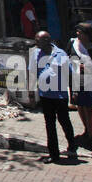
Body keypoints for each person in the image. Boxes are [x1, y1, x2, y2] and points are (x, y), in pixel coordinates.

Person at [28, 30, 78, 163]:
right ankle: (54, 154)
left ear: (47, 41)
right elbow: (32, 73)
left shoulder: (60, 54)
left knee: (64, 121)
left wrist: (74, 91)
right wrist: (31, 92)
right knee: (50, 124)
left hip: (60, 95)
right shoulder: (35, 54)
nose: (36, 43)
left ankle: (72, 145)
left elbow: (70, 74)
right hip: (45, 95)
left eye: (38, 41)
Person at [68, 22, 92, 149]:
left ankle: (90, 136)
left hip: (87, 81)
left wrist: (86, 68)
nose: (77, 34)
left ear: (86, 35)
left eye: (80, 32)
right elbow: (67, 56)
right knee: (79, 105)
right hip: (75, 80)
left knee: (88, 108)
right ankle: (86, 130)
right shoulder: (72, 43)